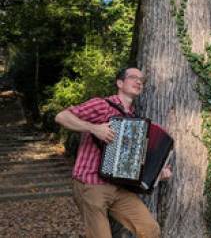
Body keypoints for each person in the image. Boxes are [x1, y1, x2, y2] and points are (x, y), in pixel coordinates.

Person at [55, 66, 171, 238]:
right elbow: (61, 117)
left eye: (142, 80)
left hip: (119, 188)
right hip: (91, 183)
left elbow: (133, 165)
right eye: (133, 77)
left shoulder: (135, 120)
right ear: (119, 82)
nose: (139, 82)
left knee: (150, 229)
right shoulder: (101, 105)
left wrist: (156, 175)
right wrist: (94, 128)